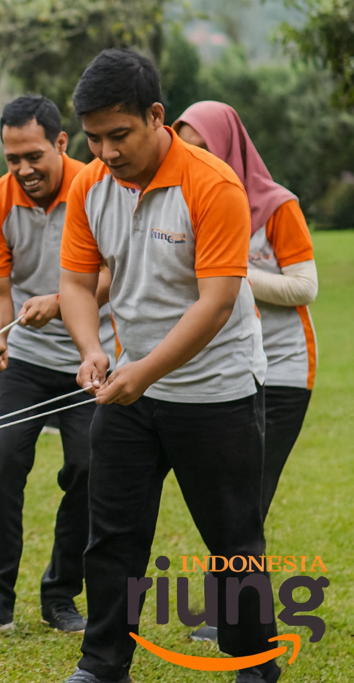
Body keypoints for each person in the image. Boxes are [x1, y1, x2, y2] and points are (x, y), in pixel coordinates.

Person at [58, 49, 278, 683]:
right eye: (94, 138)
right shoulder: (90, 185)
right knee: (112, 538)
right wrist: (92, 349)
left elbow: (216, 304)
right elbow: (76, 284)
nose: (105, 151)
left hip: (216, 392)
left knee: (232, 542)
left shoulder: (212, 185)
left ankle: (254, 665)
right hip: (131, 391)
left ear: (156, 116)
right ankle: (103, 665)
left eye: (119, 134)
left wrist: (144, 370)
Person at [0, 95, 115, 640]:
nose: (23, 169)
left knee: (88, 470)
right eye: (11, 158)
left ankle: (61, 595)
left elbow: (114, 274)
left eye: (33, 155)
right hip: (25, 360)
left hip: (90, 355)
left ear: (61, 143)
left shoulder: (99, 186)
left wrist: (59, 300)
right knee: (4, 462)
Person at [172, 101, 318, 644]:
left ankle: (229, 619)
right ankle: (227, 614)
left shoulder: (276, 205)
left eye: (203, 149)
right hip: (230, 368)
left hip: (281, 369)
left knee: (247, 495)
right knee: (229, 492)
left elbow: (305, 286)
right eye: (186, 149)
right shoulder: (187, 205)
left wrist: (233, 274)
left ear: (230, 147)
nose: (194, 159)